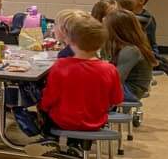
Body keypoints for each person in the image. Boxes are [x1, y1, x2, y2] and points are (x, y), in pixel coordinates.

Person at [23, 14, 124, 151]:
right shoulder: (110, 69)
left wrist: (41, 107)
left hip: (64, 120)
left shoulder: (61, 66)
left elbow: (50, 98)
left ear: (70, 40)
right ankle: (75, 145)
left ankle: (49, 139)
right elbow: (116, 100)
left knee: (46, 107)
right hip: (96, 121)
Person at [125, 0, 168, 76]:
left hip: (145, 48)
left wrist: (153, 55)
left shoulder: (148, 19)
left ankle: (158, 63)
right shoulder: (127, 15)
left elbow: (151, 40)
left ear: (141, 1)